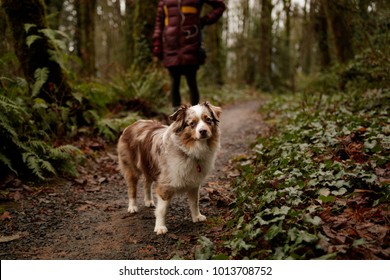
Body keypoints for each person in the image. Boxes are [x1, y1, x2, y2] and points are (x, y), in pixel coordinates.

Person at [152, 0, 226, 111]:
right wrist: (157, 43)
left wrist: (204, 20)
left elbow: (220, 6)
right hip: (170, 45)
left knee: (192, 81)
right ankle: (176, 118)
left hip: (191, 43)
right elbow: (159, 23)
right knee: (174, 82)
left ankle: (195, 114)